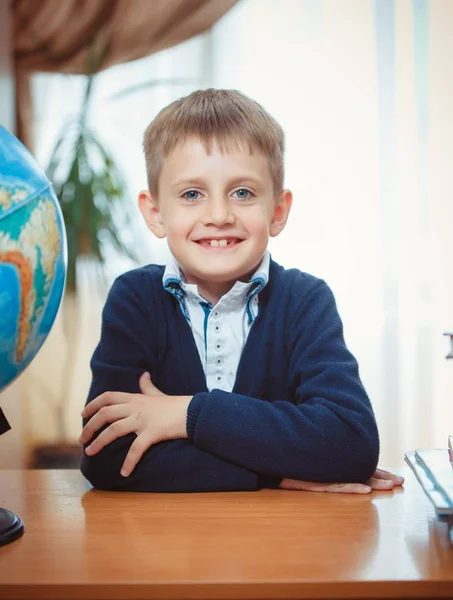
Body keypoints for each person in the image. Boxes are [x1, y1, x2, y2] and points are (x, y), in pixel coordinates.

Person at [79, 89, 403, 494]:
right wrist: (274, 473)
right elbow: (107, 455)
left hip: (281, 547)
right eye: (192, 194)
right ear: (156, 213)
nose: (218, 216)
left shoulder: (305, 301)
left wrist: (186, 414)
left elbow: (348, 446)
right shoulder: (134, 299)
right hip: (168, 548)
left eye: (243, 193)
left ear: (278, 211)